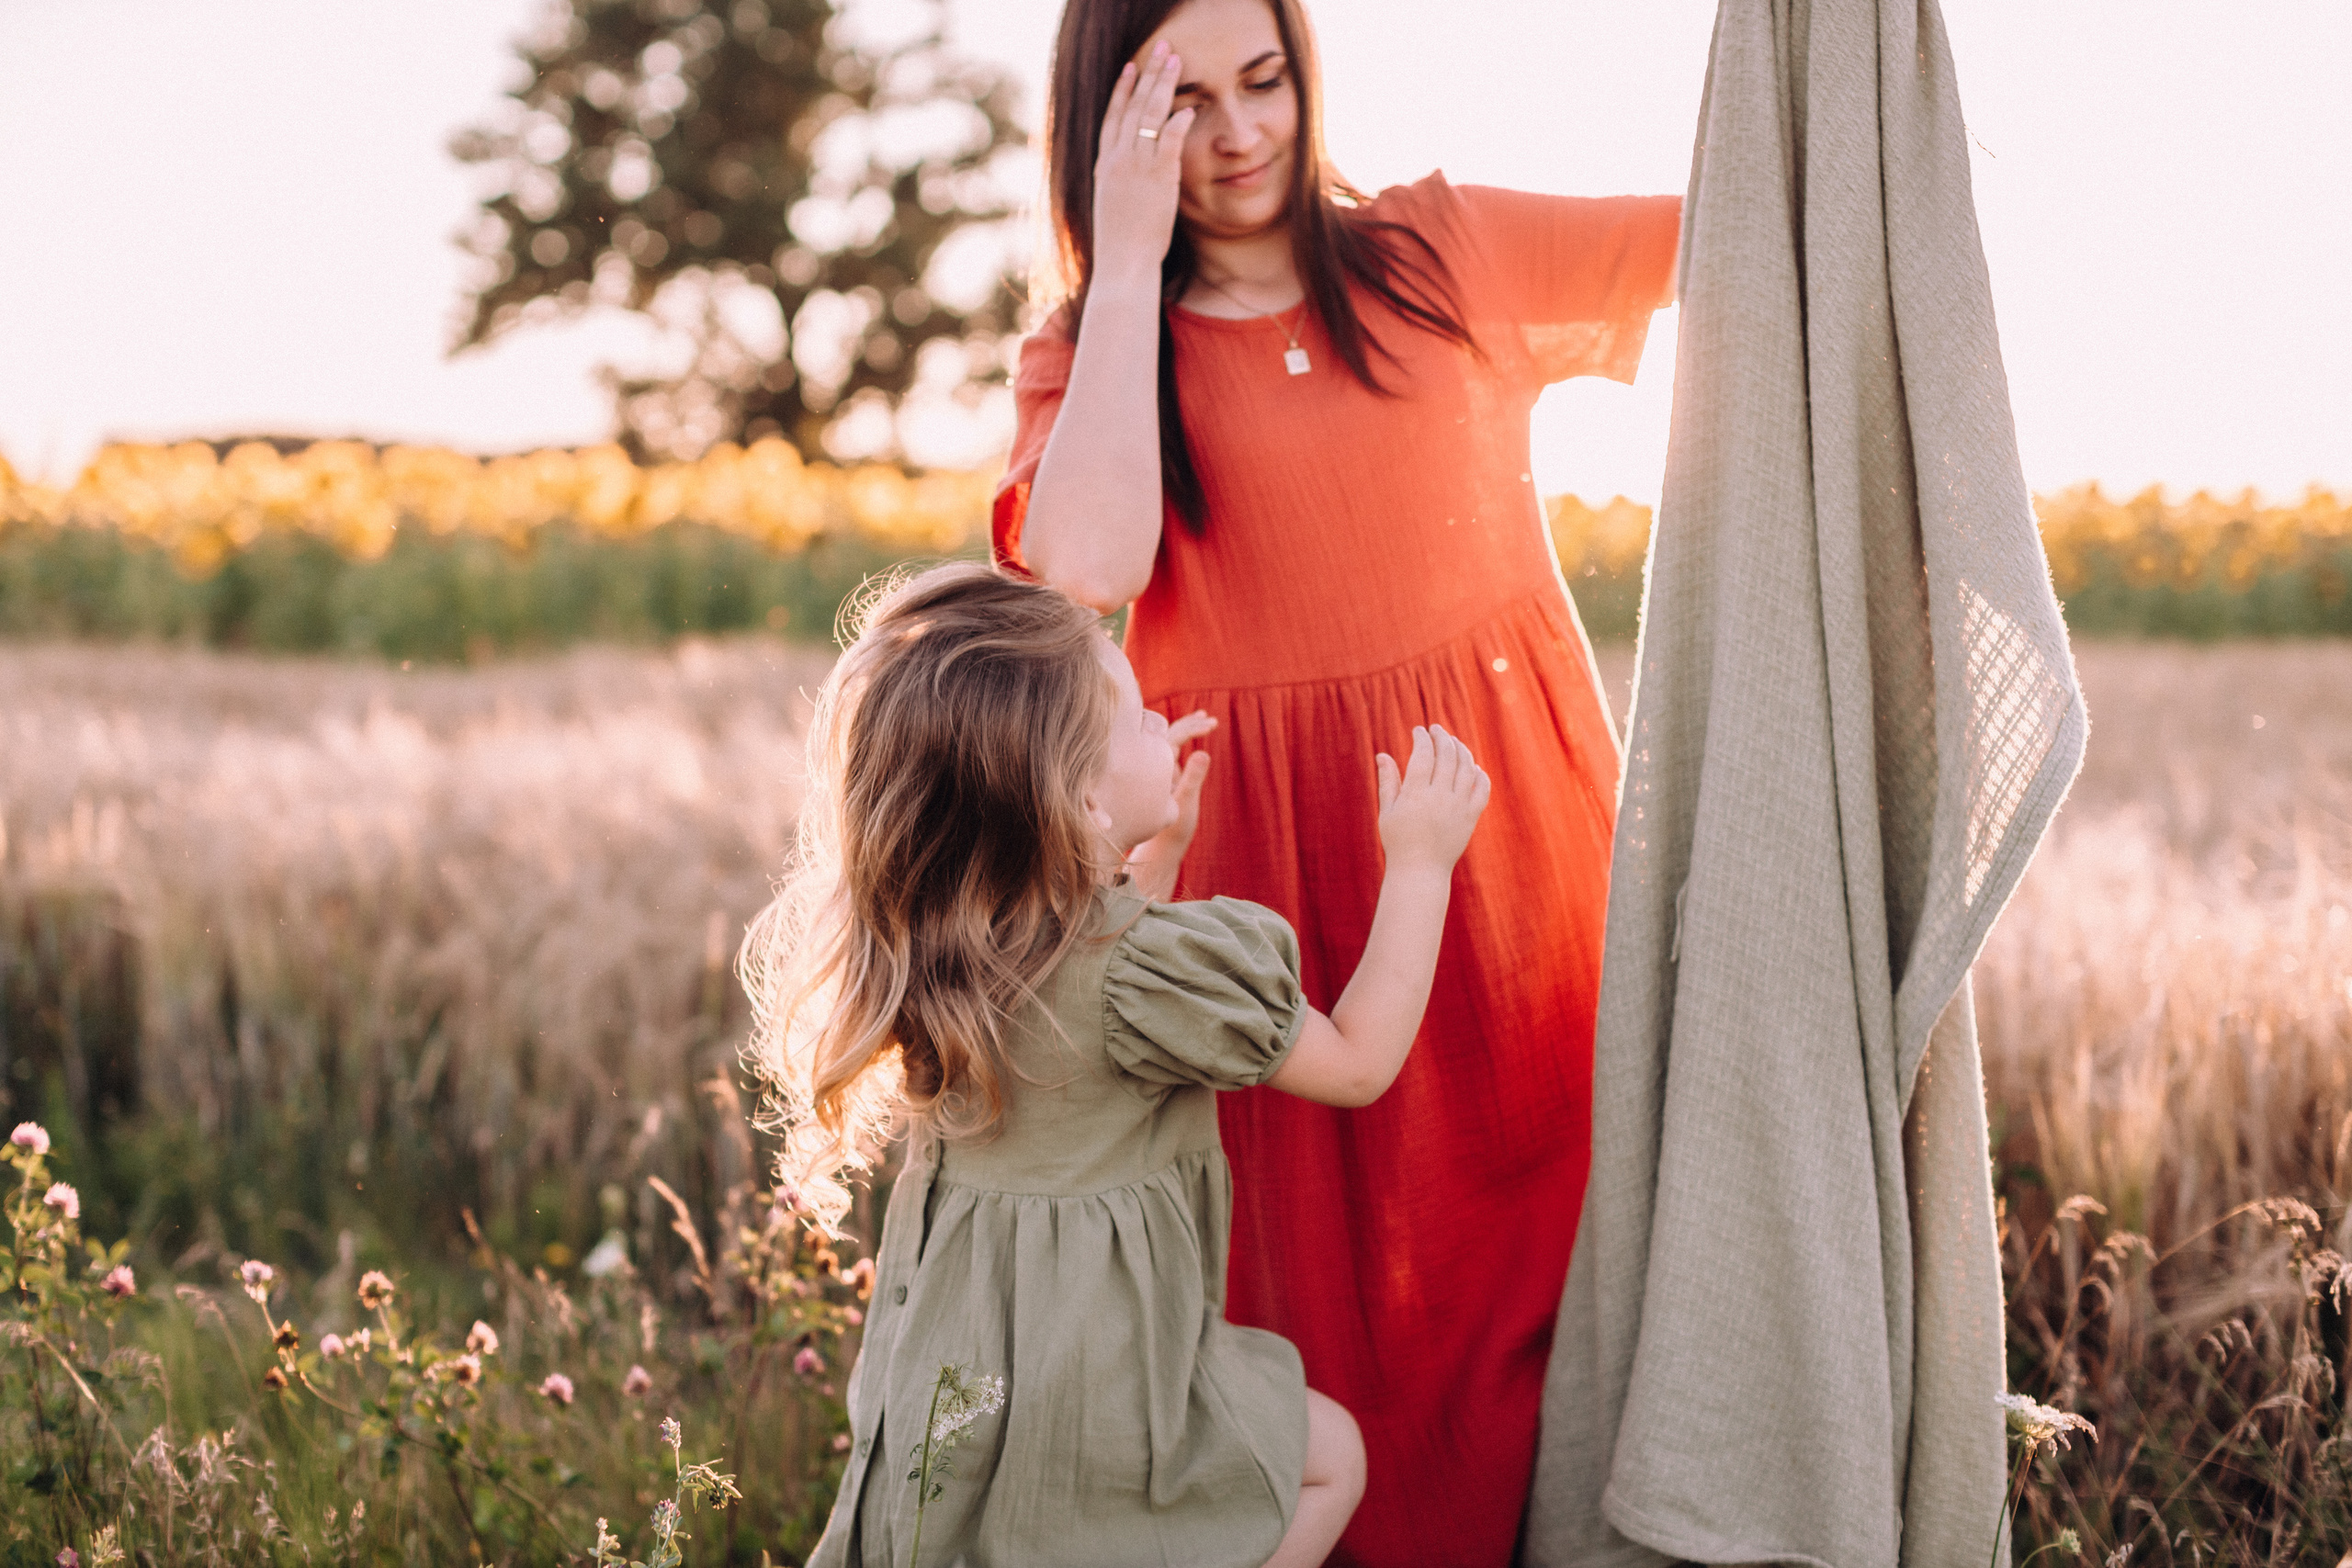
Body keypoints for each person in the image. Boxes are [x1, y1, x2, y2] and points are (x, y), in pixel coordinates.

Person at [996, 1, 1683, 1561]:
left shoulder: (1438, 254)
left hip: (1505, 844)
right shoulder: (1091, 358)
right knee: (1322, 1318)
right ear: (1108, 120)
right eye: (1186, 106)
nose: (1241, 139)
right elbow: (1085, 568)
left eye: (1268, 84)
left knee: (1567, 1254)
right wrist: (1119, 264)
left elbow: (1719, 234)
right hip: (1270, 901)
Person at [744, 563, 1491, 1568]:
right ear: (1080, 803)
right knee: (1332, 1457)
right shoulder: (1146, 971)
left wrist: (1154, 853)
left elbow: (1080, 1006)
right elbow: (1356, 1063)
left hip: (962, 1359)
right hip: (1095, 1375)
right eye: (1137, 716)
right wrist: (1421, 861)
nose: (1161, 722)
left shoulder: (945, 951)